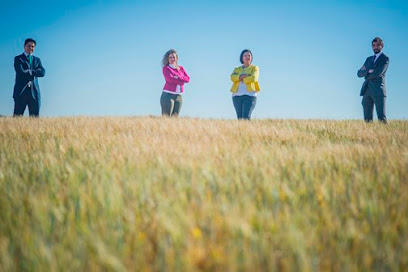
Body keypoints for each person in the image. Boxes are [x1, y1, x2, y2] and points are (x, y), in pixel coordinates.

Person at [357, 37, 389, 123]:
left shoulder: (385, 59)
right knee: (367, 120)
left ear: (382, 46)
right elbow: (359, 73)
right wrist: (369, 71)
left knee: (381, 118)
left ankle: (385, 135)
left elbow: (377, 73)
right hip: (367, 91)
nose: (375, 47)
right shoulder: (368, 59)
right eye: (373, 45)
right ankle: (369, 135)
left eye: (377, 45)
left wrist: (366, 73)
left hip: (378, 90)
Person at [13, 38, 45, 117]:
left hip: (34, 93)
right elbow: (20, 72)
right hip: (21, 92)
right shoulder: (18, 59)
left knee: (35, 119)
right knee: (17, 118)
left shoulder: (37, 60)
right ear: (24, 46)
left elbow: (42, 72)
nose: (31, 48)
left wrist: (29, 71)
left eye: (33, 46)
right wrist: (34, 72)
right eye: (29, 46)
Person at [230, 49, 260, 120]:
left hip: (250, 96)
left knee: (246, 118)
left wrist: (241, 78)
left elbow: (254, 78)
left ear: (251, 58)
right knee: (240, 119)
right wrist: (244, 76)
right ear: (242, 58)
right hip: (236, 96)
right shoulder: (237, 69)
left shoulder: (254, 68)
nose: (247, 57)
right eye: (245, 55)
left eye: (249, 55)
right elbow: (232, 77)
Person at [160, 49, 190, 117]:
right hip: (168, 96)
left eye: (174, 57)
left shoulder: (181, 68)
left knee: (175, 120)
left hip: (179, 97)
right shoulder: (166, 68)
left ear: (176, 58)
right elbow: (170, 79)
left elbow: (187, 79)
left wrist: (178, 77)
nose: (172, 59)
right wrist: (182, 82)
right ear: (167, 58)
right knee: (166, 119)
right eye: (170, 57)